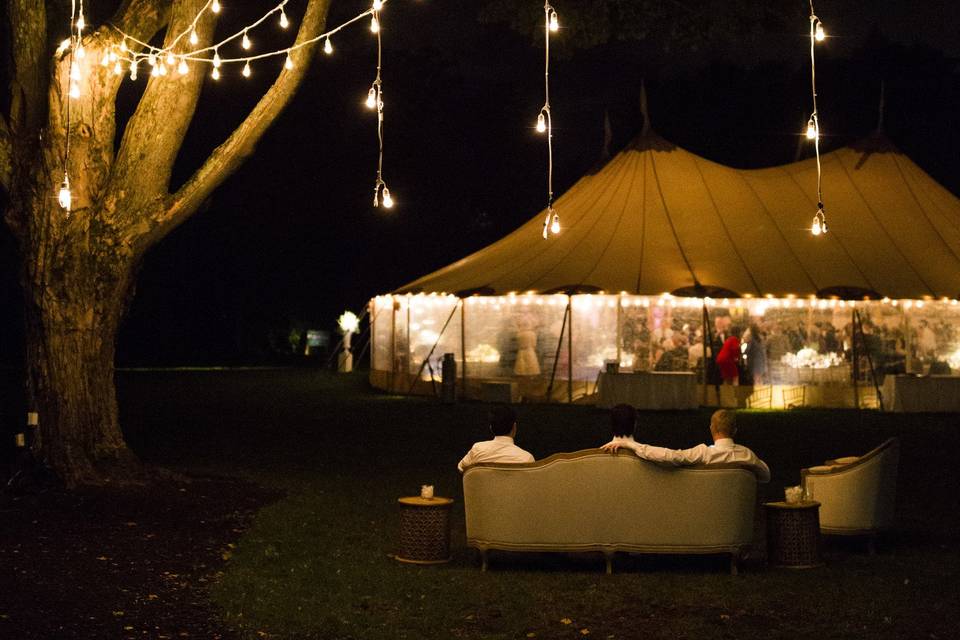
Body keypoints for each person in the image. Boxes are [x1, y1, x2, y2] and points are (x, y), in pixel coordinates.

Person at [600, 409, 770, 482]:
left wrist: (633, 446)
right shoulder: (748, 456)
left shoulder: (703, 454)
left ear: (712, 428)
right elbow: (765, 476)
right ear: (735, 430)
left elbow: (670, 456)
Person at [458, 406, 535, 472]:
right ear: (514, 427)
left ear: (491, 428)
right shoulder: (526, 458)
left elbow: (461, 468)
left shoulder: (477, 449)